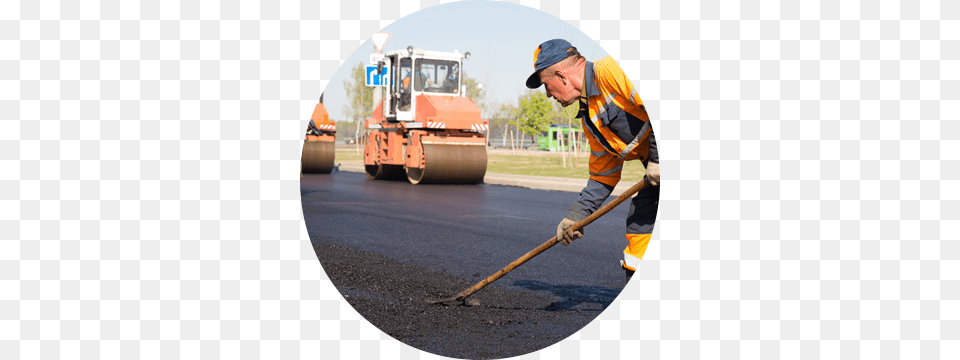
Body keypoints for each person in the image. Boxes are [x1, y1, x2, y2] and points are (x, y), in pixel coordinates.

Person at [525, 39, 660, 284]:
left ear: (561, 75)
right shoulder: (591, 119)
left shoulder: (612, 70)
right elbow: (602, 176)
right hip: (659, 176)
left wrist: (658, 158)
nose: (547, 95)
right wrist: (575, 216)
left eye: (547, 85)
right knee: (641, 220)